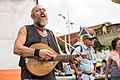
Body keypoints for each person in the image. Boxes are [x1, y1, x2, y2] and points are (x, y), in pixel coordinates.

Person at [13, 5, 82, 80]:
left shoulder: (51, 34)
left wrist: (70, 58)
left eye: (44, 10)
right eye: (38, 10)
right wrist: (38, 52)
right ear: (32, 16)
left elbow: (59, 55)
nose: (42, 11)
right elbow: (17, 49)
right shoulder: (25, 29)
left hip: (49, 76)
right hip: (30, 76)